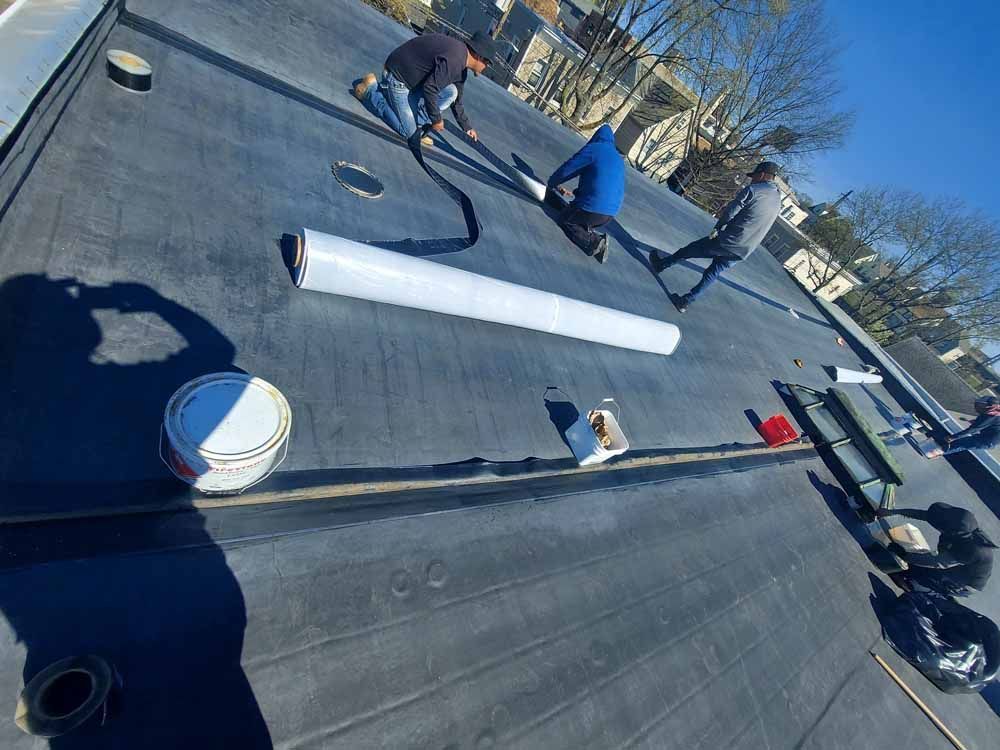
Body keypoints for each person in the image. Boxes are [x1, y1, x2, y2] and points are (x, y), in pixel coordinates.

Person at [649, 161, 782, 312]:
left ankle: (661, 264)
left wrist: (718, 227)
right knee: (713, 272)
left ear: (762, 174)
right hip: (745, 249)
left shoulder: (753, 190)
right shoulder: (777, 199)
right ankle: (686, 301)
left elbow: (731, 211)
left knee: (691, 249)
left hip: (729, 240)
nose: (752, 179)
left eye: (754, 176)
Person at [353, 31, 496, 148]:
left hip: (413, 82)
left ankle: (418, 126)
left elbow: (456, 101)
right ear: (479, 56)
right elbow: (430, 88)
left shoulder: (461, 64)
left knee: (452, 91)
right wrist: (436, 119)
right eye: (488, 62)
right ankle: (371, 91)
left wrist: (467, 127)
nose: (487, 67)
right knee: (407, 132)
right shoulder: (455, 59)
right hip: (397, 78)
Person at [877, 502, 997, 597]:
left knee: (912, 570)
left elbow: (938, 563)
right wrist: (892, 512)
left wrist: (904, 555)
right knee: (922, 557)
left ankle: (918, 588)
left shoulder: (972, 550)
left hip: (965, 583)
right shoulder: (960, 521)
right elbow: (922, 515)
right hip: (958, 562)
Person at [547, 124, 624, 264]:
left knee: (566, 220)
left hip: (594, 209)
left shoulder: (594, 149)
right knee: (574, 211)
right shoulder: (618, 158)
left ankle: (594, 243)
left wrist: (552, 183)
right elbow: (602, 184)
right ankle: (591, 231)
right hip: (609, 215)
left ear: (596, 137)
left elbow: (567, 169)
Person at [926, 396, 1000, 458]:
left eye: (979, 405)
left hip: (989, 440)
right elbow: (990, 423)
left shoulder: (991, 416)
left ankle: (936, 452)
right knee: (965, 441)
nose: (976, 407)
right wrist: (976, 422)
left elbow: (972, 430)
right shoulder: (993, 412)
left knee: (963, 443)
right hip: (987, 435)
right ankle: (940, 449)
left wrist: (953, 437)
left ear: (987, 406)